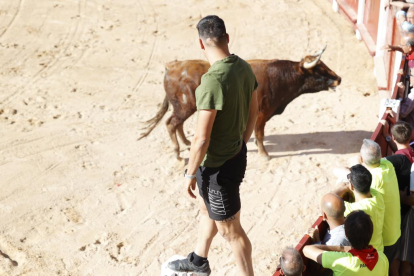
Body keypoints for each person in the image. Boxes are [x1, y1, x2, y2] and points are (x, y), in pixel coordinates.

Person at [167, 15, 258, 276]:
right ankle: (198, 261)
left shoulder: (211, 81)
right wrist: (240, 142)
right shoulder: (243, 67)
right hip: (236, 156)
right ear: (227, 38)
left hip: (217, 168)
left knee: (231, 231)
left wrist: (189, 173)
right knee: (206, 207)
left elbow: (201, 139)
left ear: (200, 43)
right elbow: (255, 111)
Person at [303, 210, 389, 275]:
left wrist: (341, 248)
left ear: (346, 235)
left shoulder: (342, 260)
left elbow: (306, 250)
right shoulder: (382, 258)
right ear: (371, 233)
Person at [382, 120, 414, 275]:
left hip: (402, 212)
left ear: (394, 138)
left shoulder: (395, 161)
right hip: (409, 208)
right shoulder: (411, 152)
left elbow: (375, 163)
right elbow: (403, 152)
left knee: (399, 255)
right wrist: (387, 138)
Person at [331, 164, 385, 252]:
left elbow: (330, 198)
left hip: (366, 254)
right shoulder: (377, 196)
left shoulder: (355, 209)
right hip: (379, 249)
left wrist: (345, 187)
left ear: (351, 186)